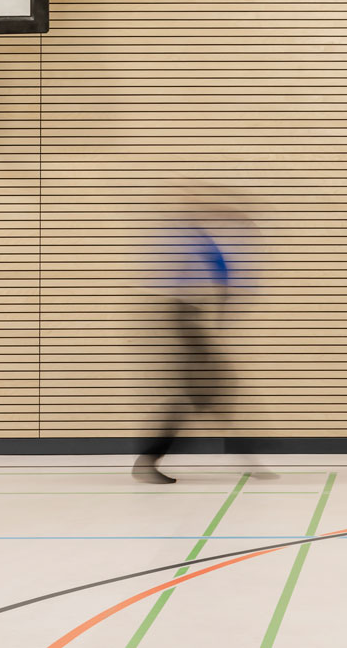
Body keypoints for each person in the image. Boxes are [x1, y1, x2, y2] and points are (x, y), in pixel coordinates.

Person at [133, 184, 273, 484]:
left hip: (188, 320)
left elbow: (223, 278)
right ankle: (151, 460)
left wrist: (221, 313)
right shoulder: (182, 236)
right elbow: (207, 277)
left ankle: (243, 454)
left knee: (210, 390)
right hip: (179, 320)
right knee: (202, 392)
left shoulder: (201, 238)